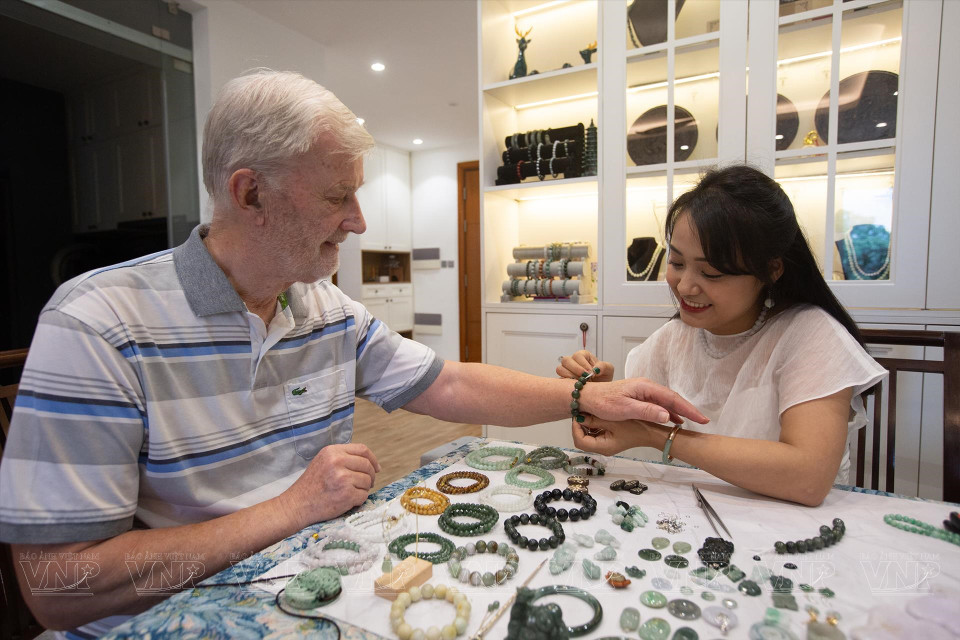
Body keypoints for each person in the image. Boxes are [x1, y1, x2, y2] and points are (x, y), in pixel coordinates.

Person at [0, 69, 707, 636]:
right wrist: (293, 506)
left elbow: (448, 386)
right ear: (250, 193)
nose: (360, 221)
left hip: (321, 587)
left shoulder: (324, 307)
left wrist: (581, 398)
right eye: (339, 196)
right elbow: (57, 589)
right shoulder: (97, 322)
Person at [559, 165, 886, 507]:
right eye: (677, 262)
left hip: (793, 527)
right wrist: (599, 397)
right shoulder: (673, 339)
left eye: (712, 272)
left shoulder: (810, 335)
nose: (684, 287)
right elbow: (619, 432)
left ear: (771, 270)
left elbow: (808, 478)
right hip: (696, 519)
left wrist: (659, 437)